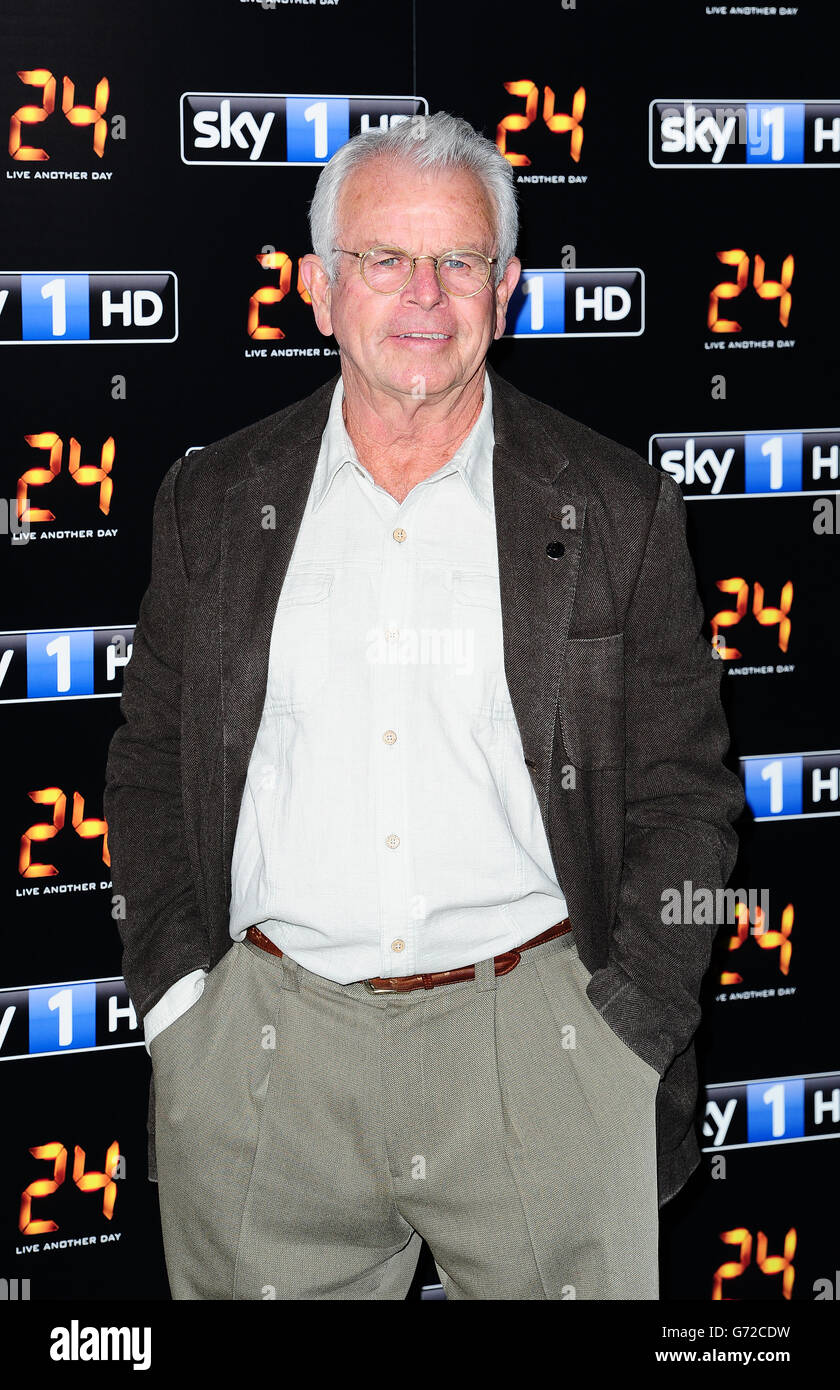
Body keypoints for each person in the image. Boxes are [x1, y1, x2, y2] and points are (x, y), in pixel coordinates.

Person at [104, 111, 744, 1300]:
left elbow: (684, 790)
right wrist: (181, 1003)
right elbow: (148, 763)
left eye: (457, 261)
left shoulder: (617, 506)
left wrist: (632, 1024)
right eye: (382, 259)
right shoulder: (210, 501)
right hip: (265, 1054)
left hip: (543, 1046)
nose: (423, 296)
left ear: (504, 288)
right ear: (317, 287)